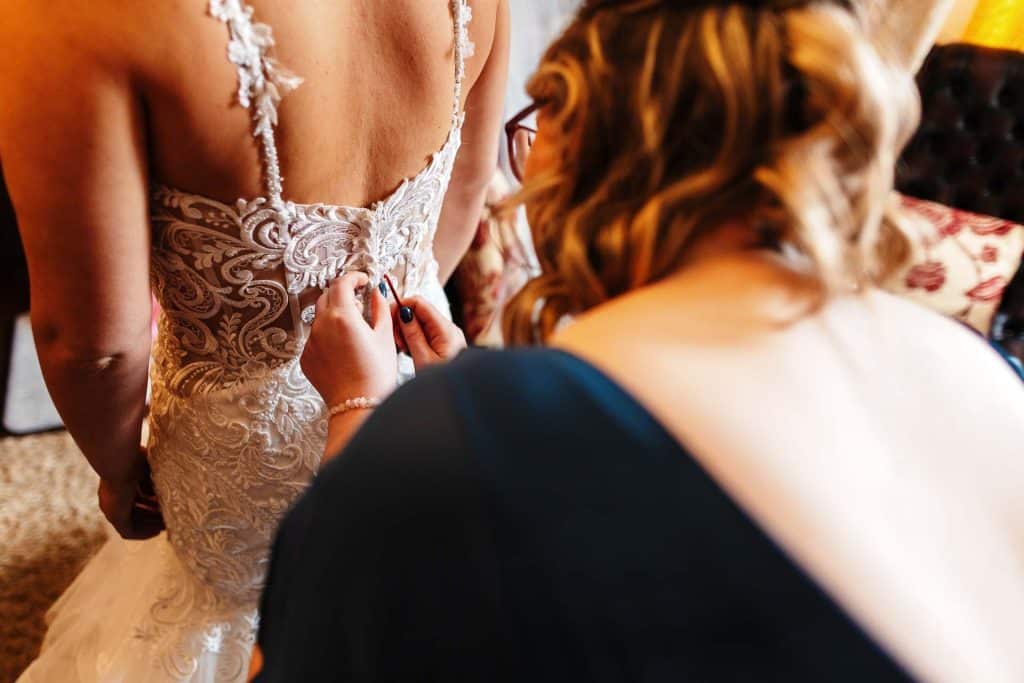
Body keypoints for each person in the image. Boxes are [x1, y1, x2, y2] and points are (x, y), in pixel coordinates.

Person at [253, 0, 1024, 681]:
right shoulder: (989, 376)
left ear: (588, 136)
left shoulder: (451, 448)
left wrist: (364, 413)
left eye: (539, 121)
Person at [0, 0, 508, 680]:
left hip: (233, 464)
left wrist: (121, 473)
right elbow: (467, 187)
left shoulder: (72, 16)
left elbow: (92, 345)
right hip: (412, 386)